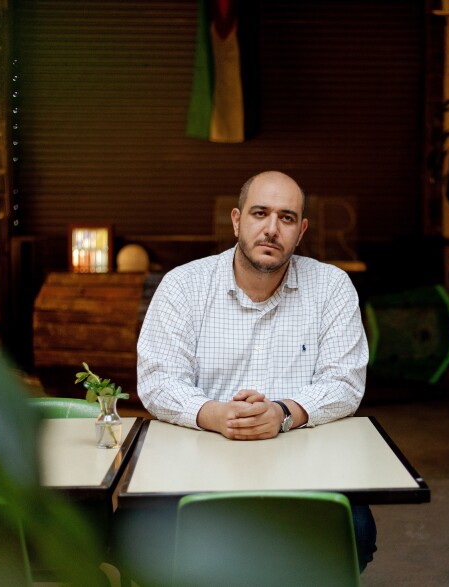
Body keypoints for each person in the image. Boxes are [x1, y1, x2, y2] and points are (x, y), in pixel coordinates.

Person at [136, 170, 376, 570]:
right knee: (141, 531)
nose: (271, 229)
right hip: (199, 465)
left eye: (285, 218)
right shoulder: (183, 286)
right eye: (259, 213)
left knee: (356, 529)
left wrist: (283, 412)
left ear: (301, 231)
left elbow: (345, 382)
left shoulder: (331, 287)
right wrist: (215, 414)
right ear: (236, 220)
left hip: (305, 466)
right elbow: (158, 379)